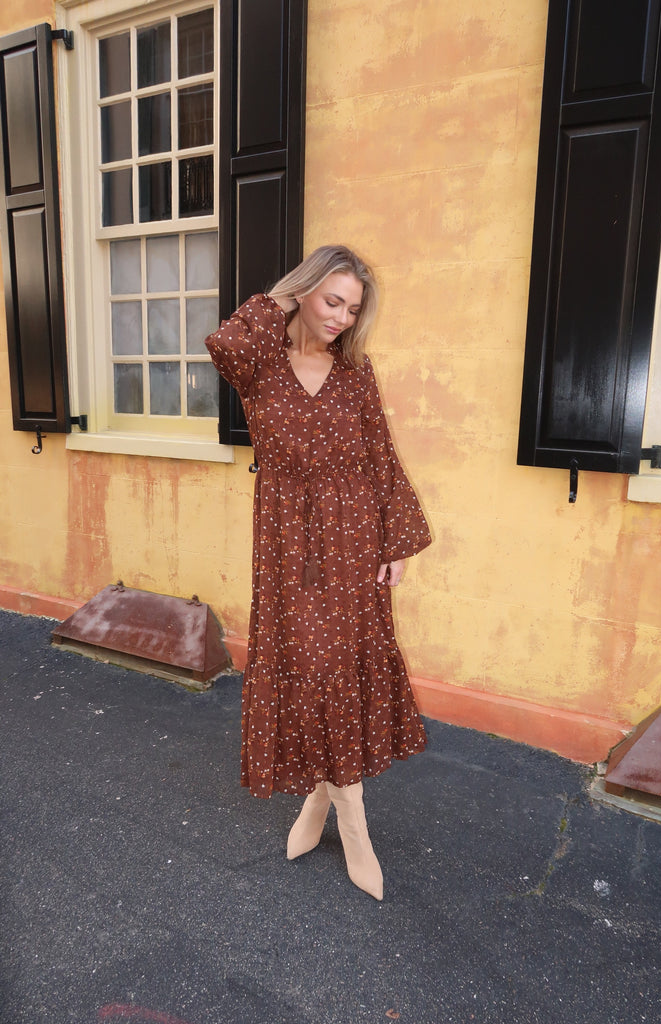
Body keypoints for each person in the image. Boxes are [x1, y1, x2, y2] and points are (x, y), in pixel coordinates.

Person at [205, 245, 431, 901]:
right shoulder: (258, 363)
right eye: (332, 300)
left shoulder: (355, 373)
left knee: (337, 669)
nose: (340, 317)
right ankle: (331, 806)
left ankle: (341, 813)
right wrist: (282, 299)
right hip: (284, 543)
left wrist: (395, 541)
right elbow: (224, 342)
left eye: (352, 309)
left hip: (354, 537)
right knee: (306, 666)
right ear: (304, 291)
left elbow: (380, 457)